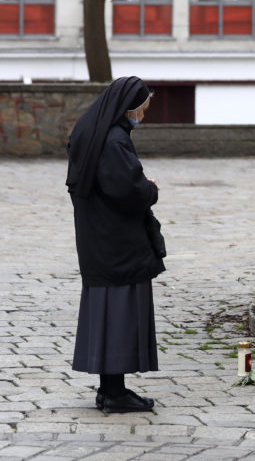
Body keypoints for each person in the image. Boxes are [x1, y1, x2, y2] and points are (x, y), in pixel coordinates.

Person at [66, 77, 164, 413]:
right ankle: (115, 392)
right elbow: (127, 191)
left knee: (109, 313)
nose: (142, 116)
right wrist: (150, 188)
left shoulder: (92, 131)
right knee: (121, 313)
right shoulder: (114, 141)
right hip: (118, 243)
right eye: (142, 109)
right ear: (127, 107)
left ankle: (112, 388)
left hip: (99, 238)